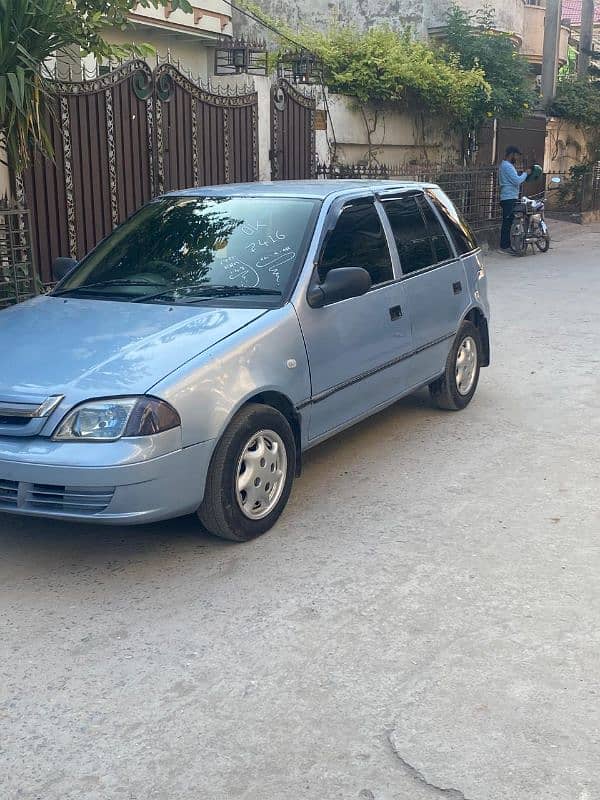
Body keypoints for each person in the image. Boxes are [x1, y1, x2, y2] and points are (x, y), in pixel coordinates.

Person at [498, 146, 532, 251]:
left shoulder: (506, 166)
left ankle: (508, 245)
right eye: (516, 155)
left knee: (510, 221)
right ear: (511, 154)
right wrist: (526, 173)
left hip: (509, 197)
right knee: (507, 222)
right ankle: (505, 246)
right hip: (508, 198)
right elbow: (517, 181)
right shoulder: (507, 166)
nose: (517, 158)